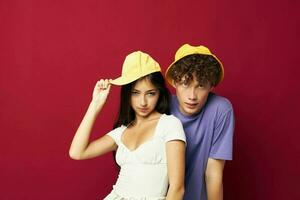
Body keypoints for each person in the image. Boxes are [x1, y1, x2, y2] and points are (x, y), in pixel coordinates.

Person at [69, 51, 186, 200]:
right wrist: (96, 103)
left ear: (159, 93)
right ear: (127, 94)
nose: (143, 102)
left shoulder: (169, 125)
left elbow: (177, 189)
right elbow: (77, 152)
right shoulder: (122, 132)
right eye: (135, 93)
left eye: (150, 93)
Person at [165, 44, 235, 200]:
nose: (192, 96)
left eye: (201, 86)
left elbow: (213, 173)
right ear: (174, 83)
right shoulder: (162, 106)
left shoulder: (220, 110)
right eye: (185, 83)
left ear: (211, 86)